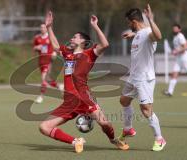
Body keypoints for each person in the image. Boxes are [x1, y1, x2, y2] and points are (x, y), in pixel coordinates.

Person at [38, 11, 129, 153]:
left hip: (84, 99)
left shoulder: (89, 54)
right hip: (68, 102)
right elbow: (55, 46)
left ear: (83, 41)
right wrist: (49, 27)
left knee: (105, 123)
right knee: (44, 127)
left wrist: (95, 26)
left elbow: (105, 44)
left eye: (75, 37)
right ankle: (76, 141)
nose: (72, 39)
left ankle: (113, 140)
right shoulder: (67, 53)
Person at [119, 4, 166, 151]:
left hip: (144, 78)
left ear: (134, 21)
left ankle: (160, 139)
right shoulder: (140, 33)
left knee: (145, 109)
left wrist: (151, 20)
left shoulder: (148, 32)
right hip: (134, 77)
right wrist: (133, 34)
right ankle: (128, 129)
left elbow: (158, 36)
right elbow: (141, 34)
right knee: (124, 101)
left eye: (129, 22)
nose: (128, 25)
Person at [163, 24, 187, 96]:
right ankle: (170, 92)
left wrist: (176, 51)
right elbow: (179, 48)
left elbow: (186, 47)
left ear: (179, 29)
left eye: (176, 29)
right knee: (174, 74)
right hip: (178, 59)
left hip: (184, 58)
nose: (174, 30)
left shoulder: (180, 36)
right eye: (173, 28)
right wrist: (175, 51)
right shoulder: (175, 37)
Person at [33, 23, 63, 103]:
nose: (42, 29)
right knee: (48, 80)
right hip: (41, 61)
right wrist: (37, 47)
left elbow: (56, 46)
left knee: (43, 79)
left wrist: (54, 52)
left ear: (46, 29)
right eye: (41, 27)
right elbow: (34, 47)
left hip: (49, 60)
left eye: (44, 27)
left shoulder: (50, 37)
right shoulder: (37, 38)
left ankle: (41, 97)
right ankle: (59, 86)